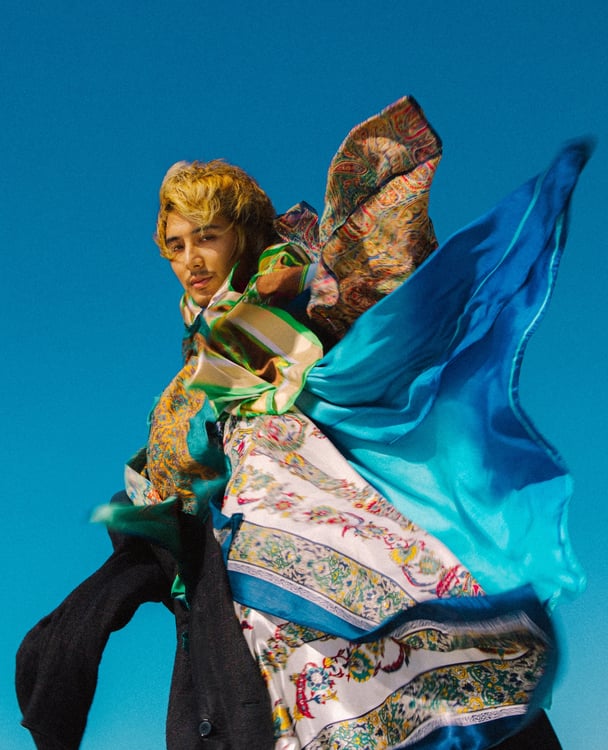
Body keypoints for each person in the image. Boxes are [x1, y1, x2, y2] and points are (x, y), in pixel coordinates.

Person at [17, 96, 587, 749]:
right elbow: (171, 473)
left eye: (207, 237)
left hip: (337, 534)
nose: (191, 259)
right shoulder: (192, 371)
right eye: (176, 245)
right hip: (244, 593)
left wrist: (312, 279)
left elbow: (372, 298)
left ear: (242, 234)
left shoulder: (294, 298)